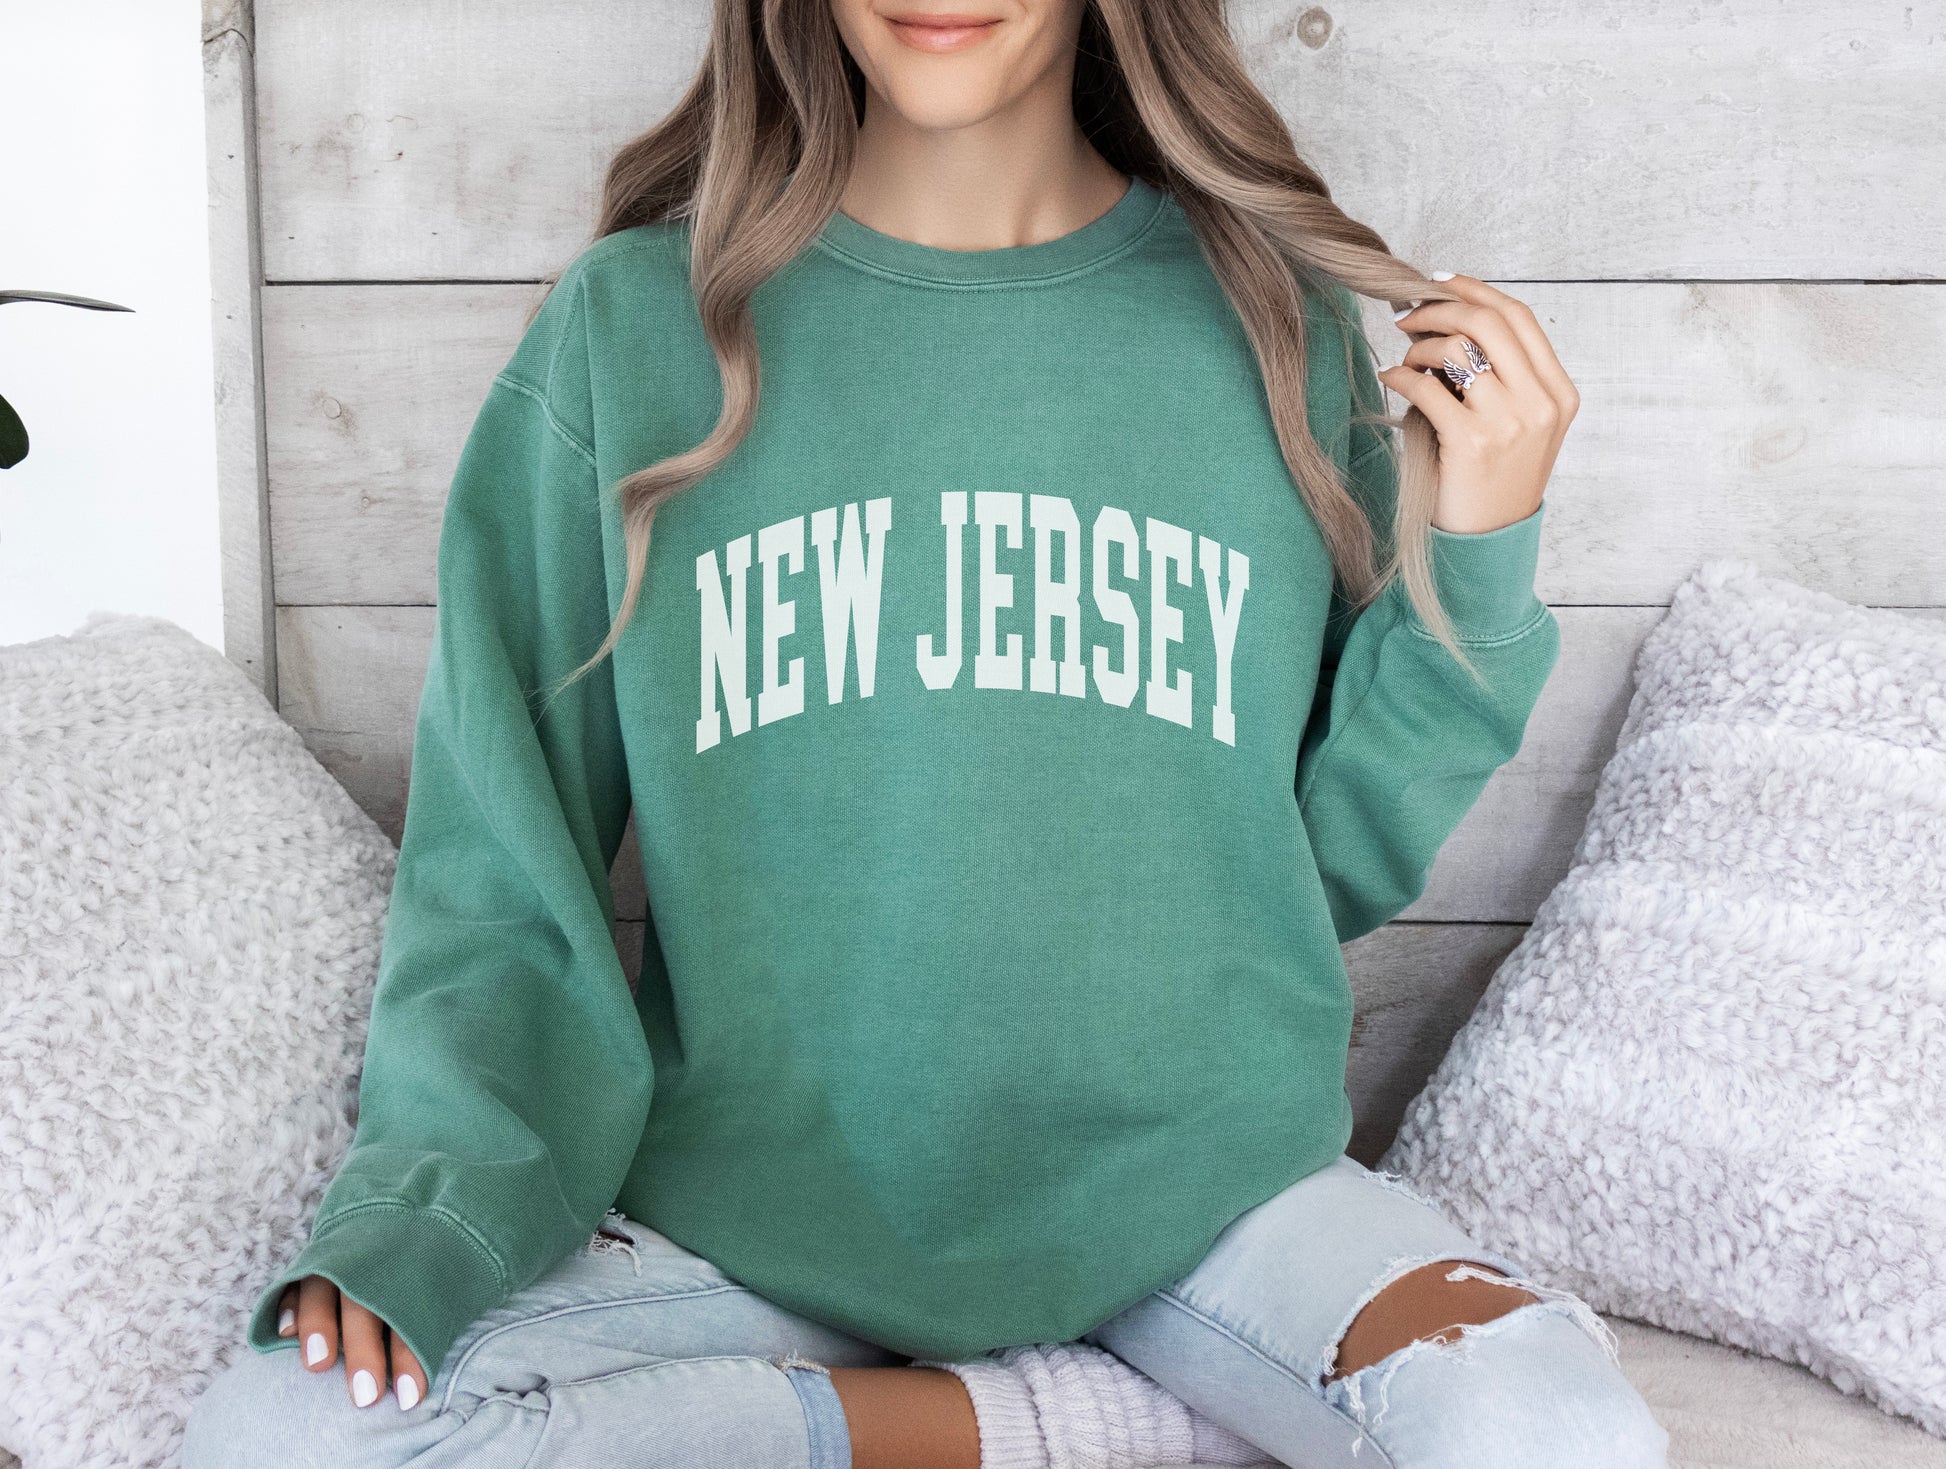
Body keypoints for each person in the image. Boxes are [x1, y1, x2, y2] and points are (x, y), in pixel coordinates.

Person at [184, 2, 1669, 1466]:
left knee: (1553, 1429)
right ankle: (1055, 1420)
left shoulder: (1271, 322)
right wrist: (422, 1209)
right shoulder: (632, 327)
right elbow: (504, 858)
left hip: (1209, 1204)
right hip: (748, 1220)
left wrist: (1475, 543)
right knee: (285, 1431)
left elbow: (1313, 864)